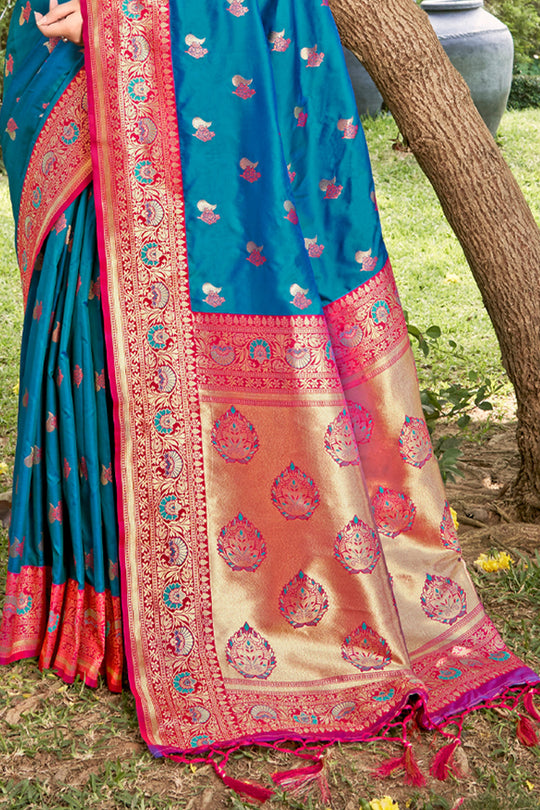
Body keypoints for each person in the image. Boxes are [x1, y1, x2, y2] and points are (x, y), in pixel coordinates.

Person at [0, 0, 537, 788]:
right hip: (75, 75)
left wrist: (118, 22)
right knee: (87, 318)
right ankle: (93, 613)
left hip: (183, 56)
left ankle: (173, 620)